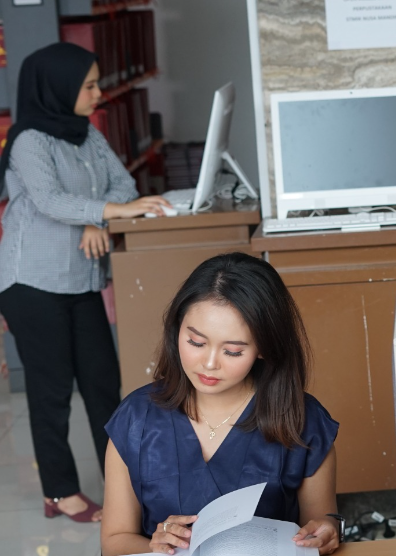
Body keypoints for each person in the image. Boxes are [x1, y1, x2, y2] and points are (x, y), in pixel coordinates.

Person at [0, 42, 173, 522]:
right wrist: (101, 212)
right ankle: (60, 492)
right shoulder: (29, 140)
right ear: (57, 87)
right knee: (52, 391)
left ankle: (123, 489)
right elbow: (51, 200)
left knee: (102, 385)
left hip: (78, 281)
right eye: (89, 85)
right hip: (31, 282)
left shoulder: (86, 135)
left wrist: (99, 219)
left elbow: (124, 187)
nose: (98, 93)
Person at [100, 252, 341, 556]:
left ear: (265, 348)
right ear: (177, 330)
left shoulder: (303, 420)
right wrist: (155, 545)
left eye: (233, 351)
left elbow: (319, 527)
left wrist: (329, 530)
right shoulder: (136, 419)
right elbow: (114, 541)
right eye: (196, 343)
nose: (209, 364)